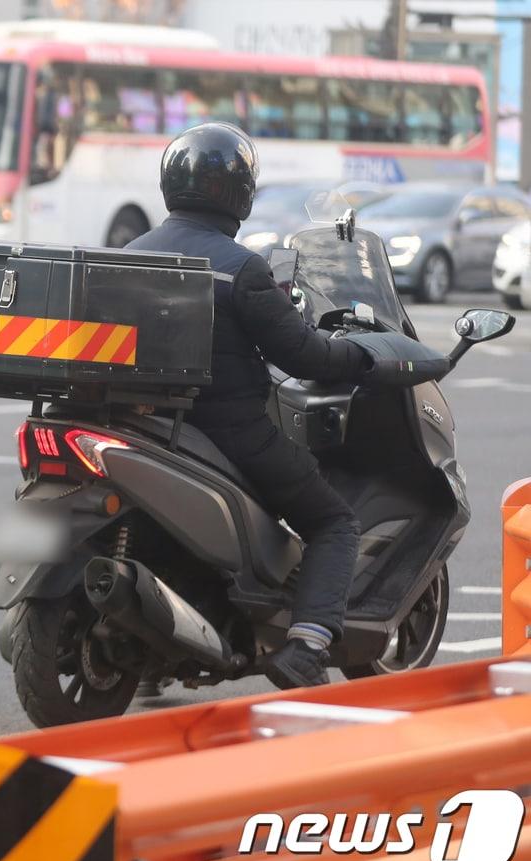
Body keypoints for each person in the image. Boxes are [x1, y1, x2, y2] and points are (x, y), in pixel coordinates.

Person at [125, 122, 371, 690]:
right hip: (229, 430)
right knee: (334, 520)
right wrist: (359, 357)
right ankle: (308, 644)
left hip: (147, 425)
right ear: (241, 194)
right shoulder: (242, 267)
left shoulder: (131, 253)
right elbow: (302, 355)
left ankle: (150, 663)